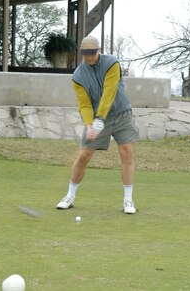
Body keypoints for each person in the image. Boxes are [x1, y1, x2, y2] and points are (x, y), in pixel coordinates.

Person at [56, 36, 139, 214]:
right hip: (96, 119)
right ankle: (69, 196)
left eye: (92, 54)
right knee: (84, 155)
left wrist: (99, 119)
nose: (89, 58)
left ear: (98, 50)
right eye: (85, 54)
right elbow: (84, 104)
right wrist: (89, 124)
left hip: (121, 114)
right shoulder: (78, 76)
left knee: (126, 152)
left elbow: (109, 92)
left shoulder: (112, 64)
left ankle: (128, 200)